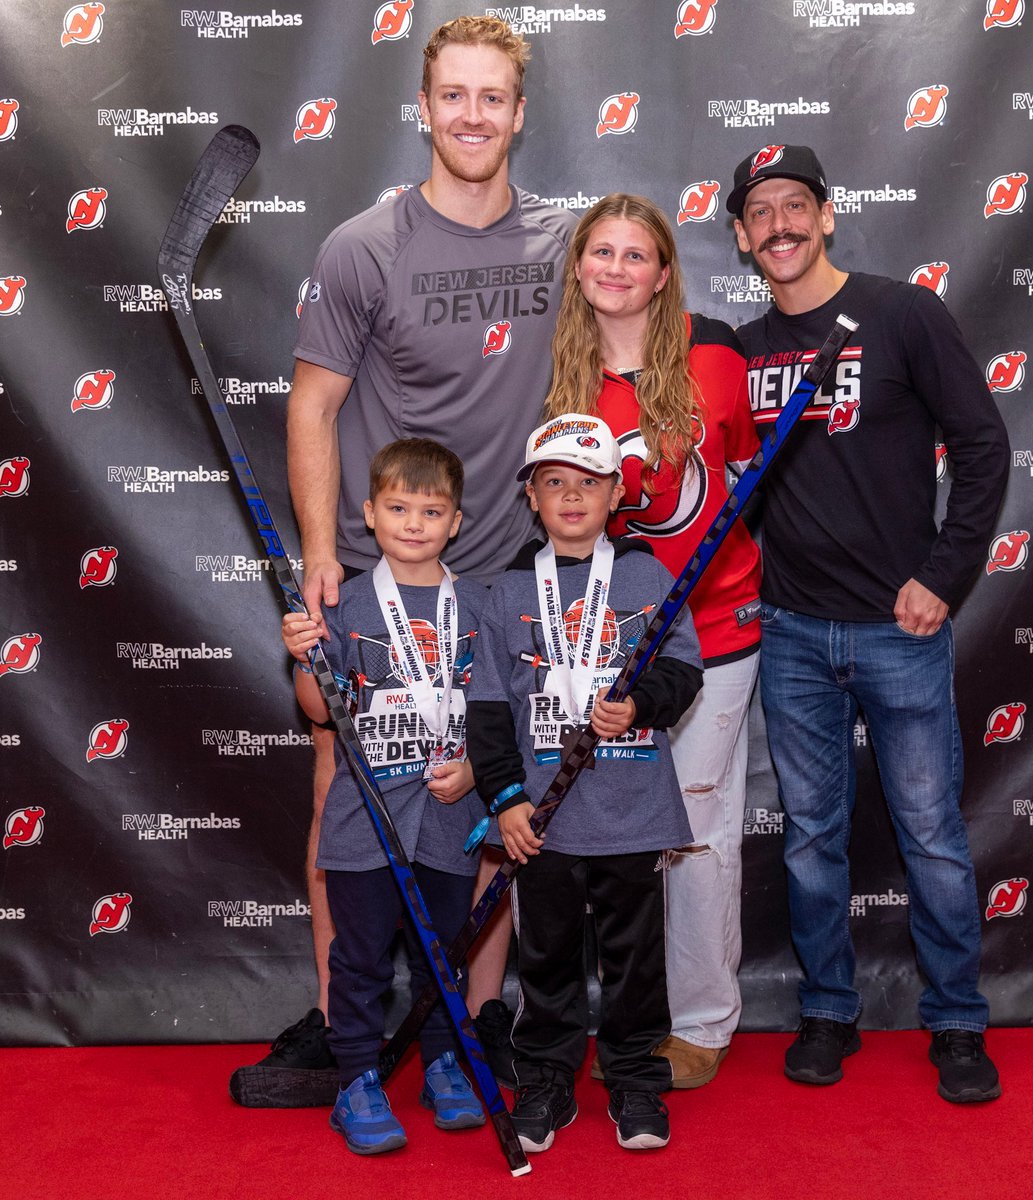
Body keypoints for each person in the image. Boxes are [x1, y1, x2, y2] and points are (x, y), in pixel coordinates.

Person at [235, 15, 576, 1102]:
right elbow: (314, 404)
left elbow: (631, 332)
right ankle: (351, 1033)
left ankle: (464, 1026)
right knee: (347, 781)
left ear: (521, 114)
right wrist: (318, 558)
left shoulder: (562, 245)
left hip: (503, 575)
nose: (473, 115)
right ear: (425, 108)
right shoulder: (363, 245)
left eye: (494, 97)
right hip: (381, 573)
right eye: (455, 95)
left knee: (478, 800)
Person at [727, 144, 1010, 1102]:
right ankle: (827, 1010)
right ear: (739, 235)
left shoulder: (900, 313)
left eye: (795, 205)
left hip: (902, 631)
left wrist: (944, 574)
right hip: (792, 633)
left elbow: (981, 444)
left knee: (930, 833)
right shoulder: (746, 349)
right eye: (759, 212)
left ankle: (959, 1023)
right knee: (811, 836)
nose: (780, 225)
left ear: (829, 215)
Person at [542, 195, 760, 1088]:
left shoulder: (716, 359)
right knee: (586, 840)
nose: (618, 268)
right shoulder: (557, 373)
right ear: (580, 267)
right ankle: (589, 1023)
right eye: (603, 252)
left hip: (713, 631)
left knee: (700, 829)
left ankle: (703, 1022)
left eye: (638, 255)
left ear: (665, 273)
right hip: (595, 649)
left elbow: (744, 471)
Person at [465, 414, 703, 1152]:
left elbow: (683, 667)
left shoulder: (646, 574)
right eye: (554, 483)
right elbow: (489, 708)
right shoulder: (505, 590)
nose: (571, 497)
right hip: (546, 819)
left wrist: (640, 703)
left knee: (635, 961)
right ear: (531, 498)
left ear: (614, 494)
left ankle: (634, 1078)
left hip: (631, 809)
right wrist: (506, 800)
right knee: (547, 957)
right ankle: (545, 1078)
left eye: (588, 484)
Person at [281, 438, 490, 1154]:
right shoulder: (345, 603)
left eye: (430, 511)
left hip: (449, 814)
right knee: (362, 956)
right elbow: (317, 710)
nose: (413, 523)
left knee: (442, 955)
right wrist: (305, 654)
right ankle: (357, 1082)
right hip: (363, 817)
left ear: (455, 521)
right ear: (369, 513)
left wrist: (475, 773)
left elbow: (493, 710)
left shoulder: (478, 605)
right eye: (398, 507)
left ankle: (441, 1062)